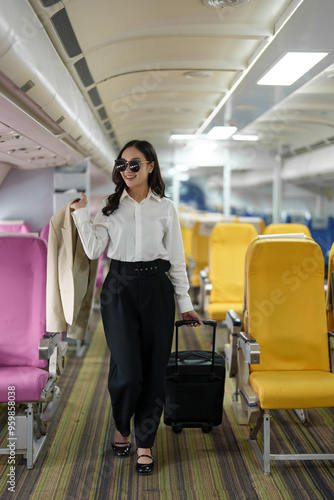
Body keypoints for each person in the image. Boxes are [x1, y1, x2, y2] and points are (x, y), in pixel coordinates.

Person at [70, 139, 202, 475]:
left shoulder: (166, 208)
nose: (127, 170)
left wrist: (184, 302)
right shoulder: (110, 206)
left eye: (134, 164)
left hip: (157, 286)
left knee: (154, 366)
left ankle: (144, 441)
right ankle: (121, 423)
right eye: (122, 164)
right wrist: (81, 213)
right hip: (119, 287)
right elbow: (93, 249)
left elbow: (176, 259)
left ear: (150, 166)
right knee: (127, 368)